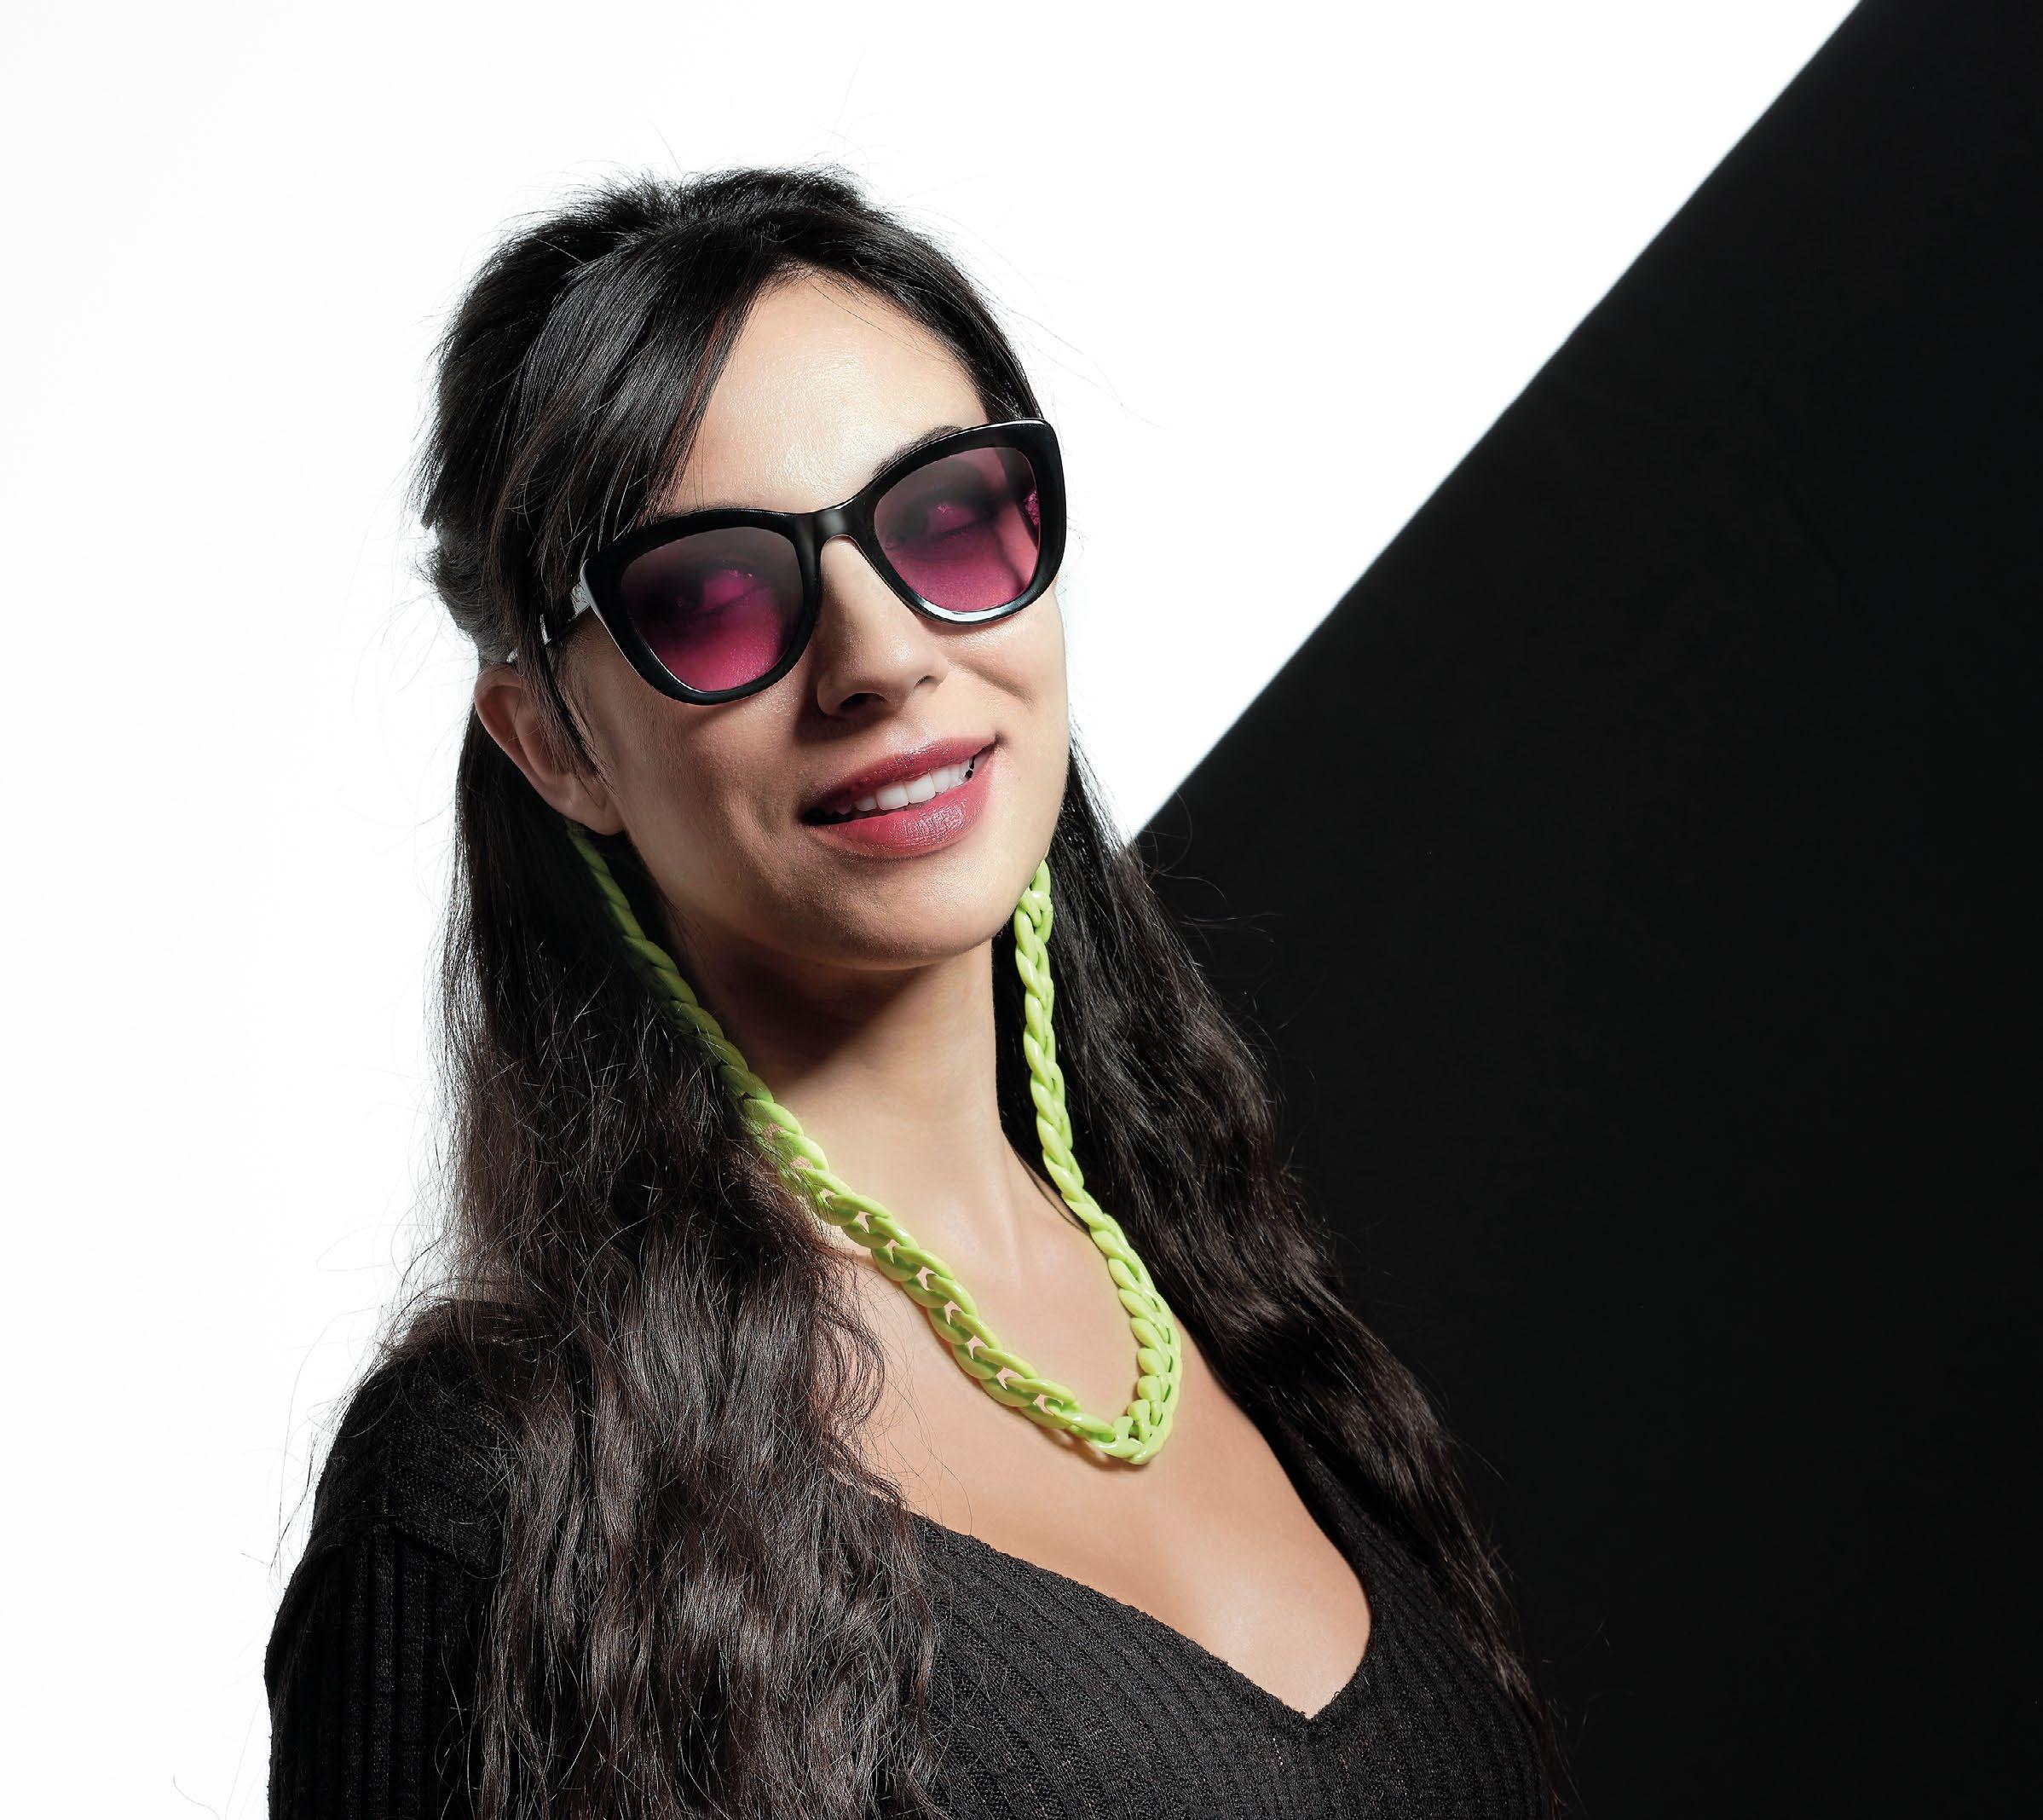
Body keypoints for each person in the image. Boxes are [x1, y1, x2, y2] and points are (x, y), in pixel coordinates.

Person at [264, 164, 1559, 1820]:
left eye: (947, 516)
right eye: (709, 596)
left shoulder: (1226, 1290)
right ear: (554, 745)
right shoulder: (495, 1497)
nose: (880, 658)